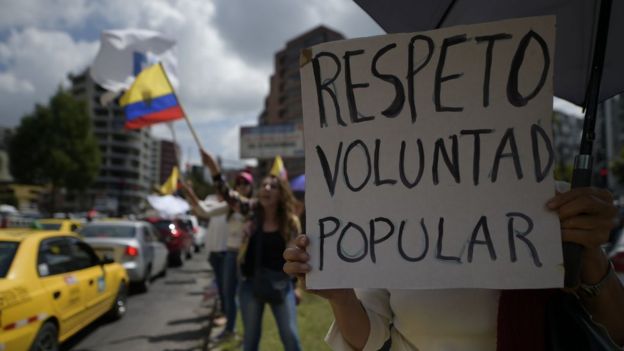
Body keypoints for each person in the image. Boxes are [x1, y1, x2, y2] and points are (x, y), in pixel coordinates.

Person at [284, 185, 624, 350]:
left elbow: (617, 329)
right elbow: (370, 339)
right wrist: (340, 295)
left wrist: (590, 251)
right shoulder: (387, 213)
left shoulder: (548, 200)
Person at [200, 148, 303, 351]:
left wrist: (297, 287)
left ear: (281, 193)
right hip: (250, 286)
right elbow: (228, 195)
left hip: (282, 286)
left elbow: (298, 257)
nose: (266, 188)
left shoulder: (291, 223)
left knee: (291, 338)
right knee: (250, 341)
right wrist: (213, 168)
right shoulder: (252, 212)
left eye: (272, 186)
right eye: (263, 185)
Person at [182, 172, 254, 344]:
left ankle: (249, 333)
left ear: (251, 187)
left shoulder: (253, 206)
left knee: (246, 296)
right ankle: (230, 329)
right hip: (230, 253)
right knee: (228, 294)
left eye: (245, 183)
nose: (242, 186)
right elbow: (204, 211)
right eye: (238, 183)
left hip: (247, 256)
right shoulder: (229, 206)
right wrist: (190, 194)